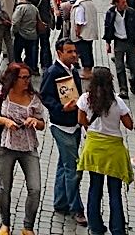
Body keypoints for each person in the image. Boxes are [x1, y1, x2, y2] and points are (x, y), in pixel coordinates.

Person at [0, 61, 46, 235]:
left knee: (35, 188)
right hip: (5, 145)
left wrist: (35, 122)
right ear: (13, 78)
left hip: (28, 146)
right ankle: (5, 224)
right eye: (23, 78)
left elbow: (42, 124)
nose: (27, 81)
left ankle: (28, 226)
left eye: (28, 78)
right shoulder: (1, 93)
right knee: (4, 187)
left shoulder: (33, 97)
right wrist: (6, 121)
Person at [77, 68, 133, 235]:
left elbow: (81, 120)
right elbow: (129, 125)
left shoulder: (85, 99)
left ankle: (95, 226)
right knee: (114, 192)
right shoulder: (117, 102)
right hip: (113, 150)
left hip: (93, 148)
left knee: (95, 187)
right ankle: (117, 228)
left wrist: (91, 127)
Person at [41, 38, 87, 226]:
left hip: (74, 124)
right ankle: (76, 208)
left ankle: (60, 202)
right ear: (59, 53)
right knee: (73, 168)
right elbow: (44, 96)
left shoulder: (73, 71)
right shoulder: (52, 72)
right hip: (61, 126)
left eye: (75, 51)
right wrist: (60, 109)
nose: (74, 55)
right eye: (69, 52)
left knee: (64, 164)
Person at [103, 0, 135, 98]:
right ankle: (123, 89)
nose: (125, 4)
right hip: (118, 41)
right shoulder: (110, 13)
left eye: (125, 2)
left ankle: (133, 80)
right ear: (116, 4)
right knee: (119, 66)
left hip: (131, 41)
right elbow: (107, 27)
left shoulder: (132, 12)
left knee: (133, 65)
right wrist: (108, 43)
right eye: (123, 3)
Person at [10, 0, 41, 75]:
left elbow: (15, 22)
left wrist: (13, 32)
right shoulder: (34, 8)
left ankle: (18, 70)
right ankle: (29, 69)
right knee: (29, 54)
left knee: (17, 54)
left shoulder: (21, 8)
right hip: (32, 35)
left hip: (21, 34)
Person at [71, 0, 99, 79]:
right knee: (88, 50)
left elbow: (79, 20)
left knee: (84, 52)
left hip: (83, 33)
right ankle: (88, 70)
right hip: (90, 32)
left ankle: (86, 71)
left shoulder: (80, 4)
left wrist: (77, 31)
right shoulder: (90, 2)